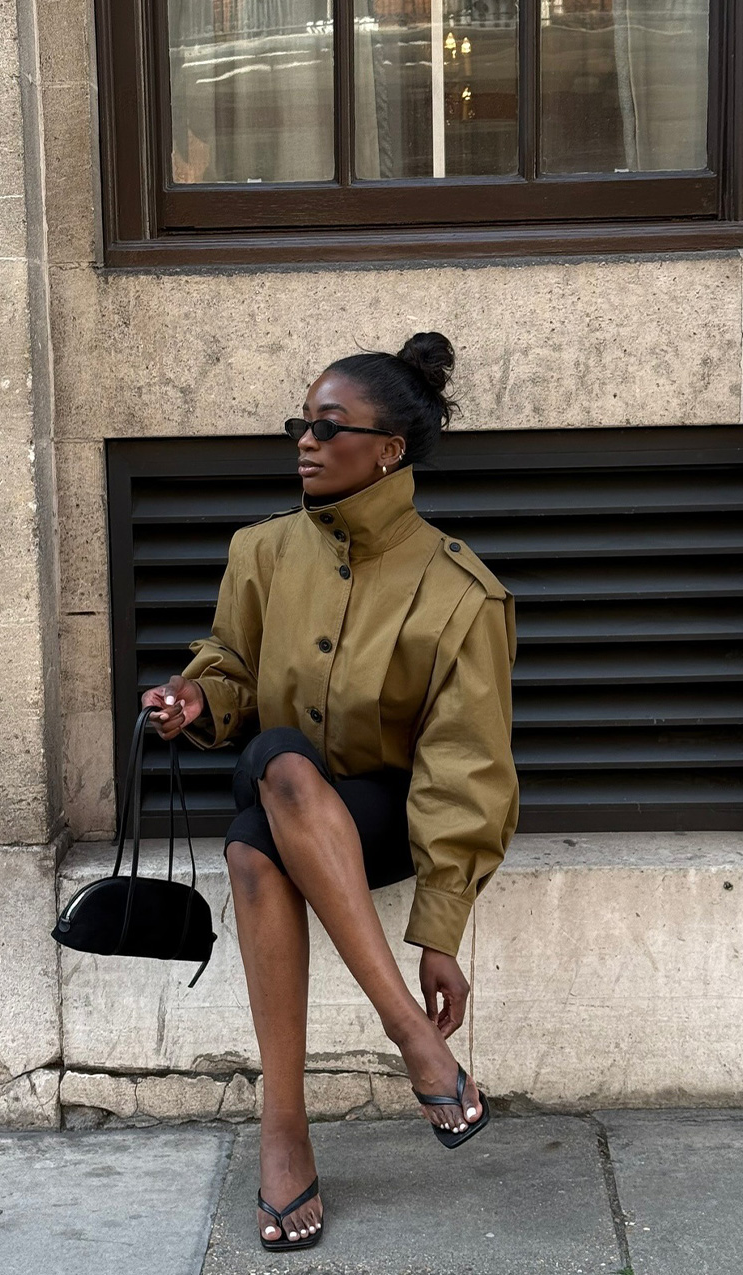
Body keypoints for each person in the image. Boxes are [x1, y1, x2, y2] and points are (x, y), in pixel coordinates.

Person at [141, 331, 519, 1251]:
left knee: (251, 845)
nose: (304, 442)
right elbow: (229, 665)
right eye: (299, 425)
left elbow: (465, 766)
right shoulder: (261, 551)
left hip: (376, 816)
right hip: (272, 771)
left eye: (328, 426)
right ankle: (410, 1041)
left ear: (389, 449)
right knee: (276, 758)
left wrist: (440, 929)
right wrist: (195, 698)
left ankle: (284, 1130)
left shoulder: (460, 590)